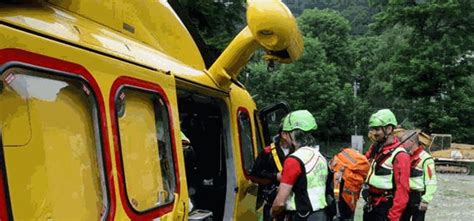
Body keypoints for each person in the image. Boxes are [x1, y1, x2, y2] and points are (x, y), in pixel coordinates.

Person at [270, 110, 328, 221]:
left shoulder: (293, 160)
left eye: (285, 133)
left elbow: (280, 203)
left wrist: (272, 212)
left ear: (291, 134)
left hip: (302, 216)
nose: (284, 137)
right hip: (320, 215)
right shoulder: (320, 157)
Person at [363, 109, 410, 221]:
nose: (373, 133)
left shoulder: (400, 155)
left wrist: (393, 217)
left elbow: (402, 191)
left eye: (377, 129)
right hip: (371, 204)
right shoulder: (375, 148)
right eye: (372, 129)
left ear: (389, 129)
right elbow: (363, 162)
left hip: (385, 208)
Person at [249, 125, 290, 221]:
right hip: (272, 201)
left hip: (292, 203)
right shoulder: (267, 152)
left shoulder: (297, 152)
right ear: (283, 134)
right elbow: (254, 174)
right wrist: (275, 176)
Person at [398, 130, 437, 221]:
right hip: (404, 195)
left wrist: (426, 200)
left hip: (417, 197)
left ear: (412, 142)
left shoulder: (426, 159)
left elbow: (431, 181)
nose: (402, 144)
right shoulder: (405, 156)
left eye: (404, 142)